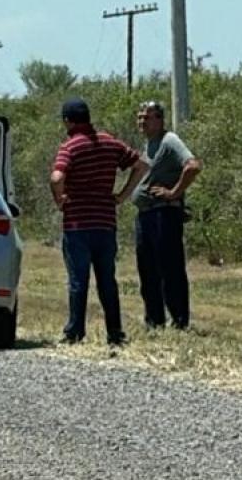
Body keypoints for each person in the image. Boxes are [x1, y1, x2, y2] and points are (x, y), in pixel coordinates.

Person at [49, 97, 149, 346]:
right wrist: (123, 195)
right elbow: (141, 165)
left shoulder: (70, 147)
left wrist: (60, 199)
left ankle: (75, 332)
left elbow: (56, 176)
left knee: (78, 280)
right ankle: (115, 333)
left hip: (77, 224)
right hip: (105, 221)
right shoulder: (110, 143)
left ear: (68, 121)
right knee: (107, 279)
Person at [132, 101, 202, 330]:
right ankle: (154, 321)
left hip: (164, 214)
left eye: (148, 117)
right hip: (145, 215)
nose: (142, 121)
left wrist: (173, 192)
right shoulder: (148, 145)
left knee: (169, 269)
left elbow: (192, 166)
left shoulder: (170, 141)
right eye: (140, 117)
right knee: (148, 271)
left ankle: (179, 320)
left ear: (160, 119)